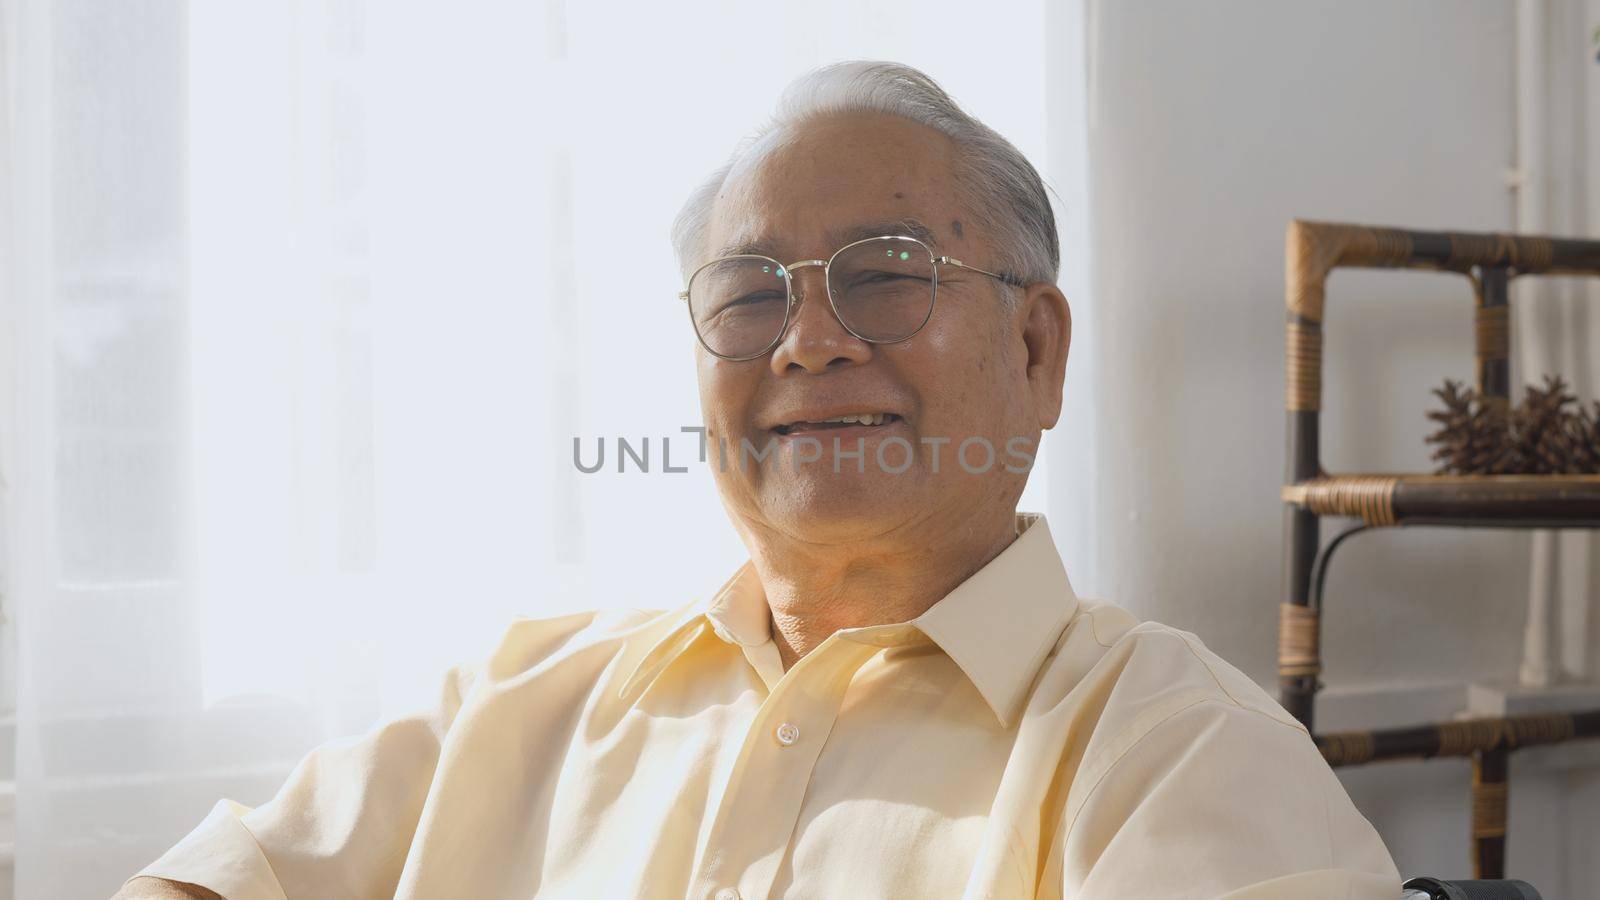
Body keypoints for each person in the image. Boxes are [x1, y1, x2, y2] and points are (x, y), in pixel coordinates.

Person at [117, 60, 1401, 899]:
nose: (807, 341)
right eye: (746, 295)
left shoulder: (1179, 759)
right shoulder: (523, 699)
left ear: (1035, 349)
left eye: (886, 271)